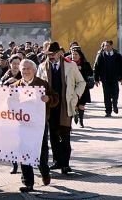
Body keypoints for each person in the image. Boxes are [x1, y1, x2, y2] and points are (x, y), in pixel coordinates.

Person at [37, 41, 86, 174]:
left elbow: (82, 82)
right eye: (48, 54)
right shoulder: (42, 67)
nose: (50, 57)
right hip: (50, 105)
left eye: (52, 54)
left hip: (66, 105)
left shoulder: (71, 65)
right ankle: (57, 161)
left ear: (59, 53)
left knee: (64, 135)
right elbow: (38, 85)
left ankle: (65, 164)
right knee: (53, 135)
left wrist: (76, 95)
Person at [13, 59, 59, 192]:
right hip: (22, 125)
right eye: (23, 69)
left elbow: (55, 98)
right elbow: (9, 103)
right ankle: (28, 182)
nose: (26, 71)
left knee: (41, 152)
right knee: (24, 152)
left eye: (28, 69)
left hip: (39, 125)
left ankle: (45, 172)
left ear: (34, 70)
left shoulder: (42, 84)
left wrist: (48, 99)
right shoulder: (16, 86)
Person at [93, 40, 122, 117]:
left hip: (115, 78)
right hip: (105, 79)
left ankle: (115, 104)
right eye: (105, 45)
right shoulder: (101, 56)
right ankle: (108, 111)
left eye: (108, 45)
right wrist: (96, 79)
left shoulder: (117, 56)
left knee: (115, 93)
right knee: (107, 95)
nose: (106, 47)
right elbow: (97, 68)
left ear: (111, 46)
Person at [70, 48, 93, 127]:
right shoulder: (68, 63)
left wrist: (82, 69)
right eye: (73, 54)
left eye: (76, 54)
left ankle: (81, 121)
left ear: (80, 56)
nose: (74, 56)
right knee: (73, 105)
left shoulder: (85, 64)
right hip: (72, 88)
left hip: (83, 88)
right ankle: (73, 119)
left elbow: (90, 72)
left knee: (81, 105)